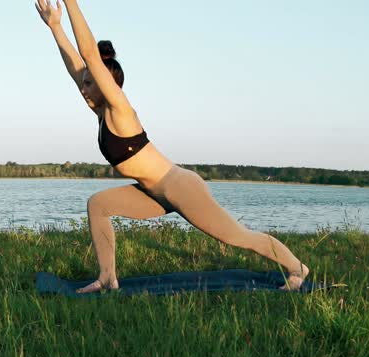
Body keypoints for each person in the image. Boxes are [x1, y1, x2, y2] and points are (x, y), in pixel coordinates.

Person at [34, 0, 310, 293]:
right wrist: (55, 27)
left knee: (237, 236)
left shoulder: (119, 109)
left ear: (107, 84)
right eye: (85, 83)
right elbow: (76, 67)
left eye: (90, 83)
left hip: (180, 187)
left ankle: (297, 268)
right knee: (98, 205)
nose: (83, 87)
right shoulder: (101, 113)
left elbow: (88, 54)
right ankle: (107, 277)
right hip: (153, 192)